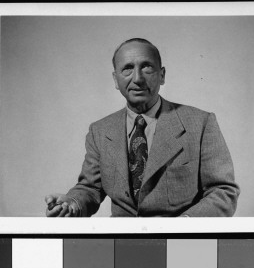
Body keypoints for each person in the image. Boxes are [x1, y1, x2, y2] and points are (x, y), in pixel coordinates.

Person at [45, 38, 240, 217]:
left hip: (178, 241)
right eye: (127, 69)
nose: (137, 78)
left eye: (146, 67)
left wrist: (184, 226)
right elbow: (90, 189)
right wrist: (71, 204)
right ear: (115, 79)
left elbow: (223, 191)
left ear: (162, 75)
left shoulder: (201, 123)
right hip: (121, 243)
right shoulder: (100, 131)